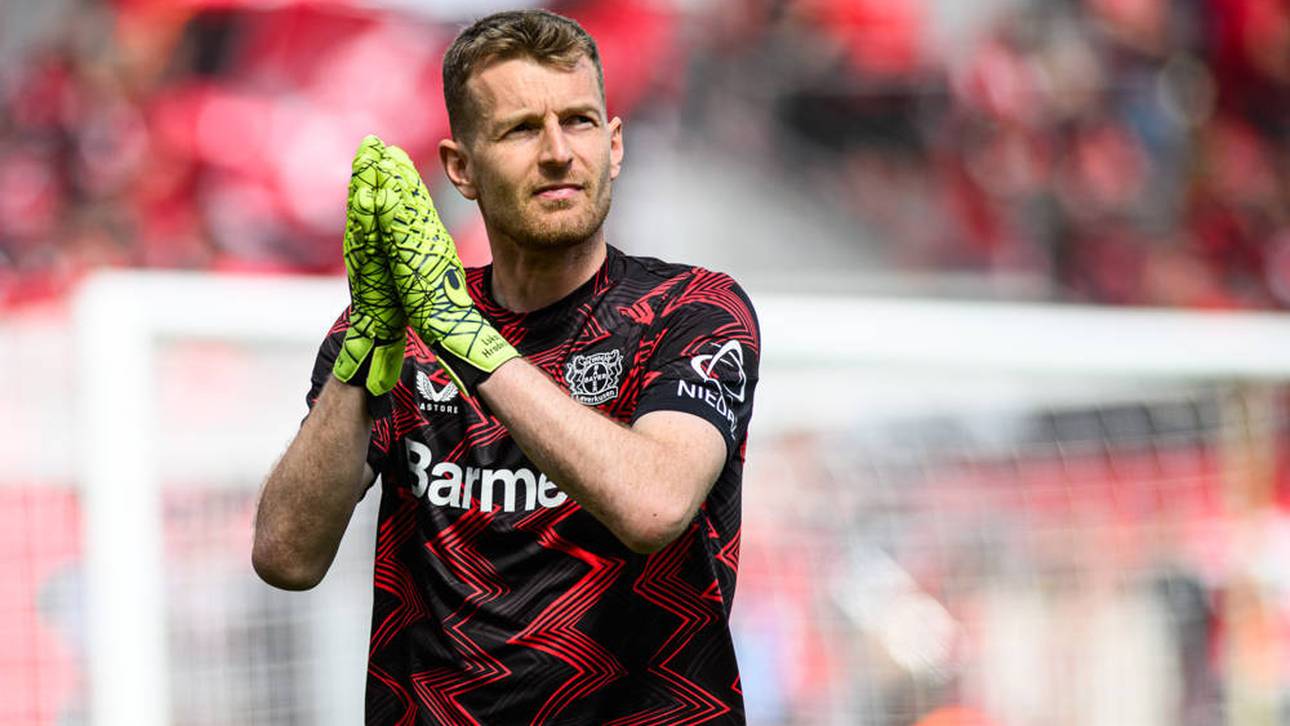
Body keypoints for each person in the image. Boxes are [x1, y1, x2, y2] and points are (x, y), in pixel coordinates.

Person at [252, 9, 759, 724]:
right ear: (461, 167)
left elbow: (655, 504)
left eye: (580, 122)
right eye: (522, 130)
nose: (558, 153)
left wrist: (468, 339)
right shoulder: (401, 336)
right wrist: (367, 344)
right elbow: (286, 557)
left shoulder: (691, 308)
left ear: (615, 146)